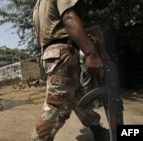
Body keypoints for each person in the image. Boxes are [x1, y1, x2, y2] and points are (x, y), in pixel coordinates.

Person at [31, 0, 108, 141]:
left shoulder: (38, 6)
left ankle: (97, 129)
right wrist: (91, 52)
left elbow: (40, 38)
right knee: (56, 107)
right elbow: (69, 18)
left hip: (50, 54)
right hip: (63, 54)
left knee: (78, 98)